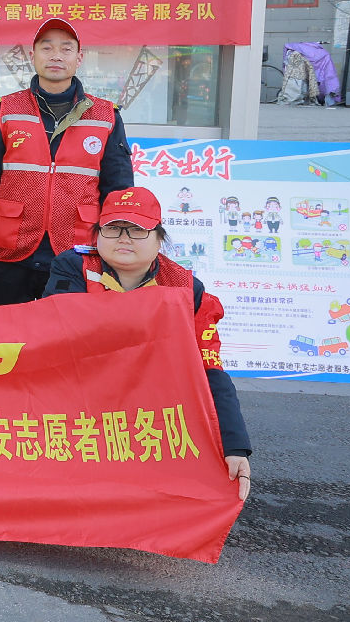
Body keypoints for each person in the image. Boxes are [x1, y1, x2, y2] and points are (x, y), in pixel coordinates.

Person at [43, 187, 253, 500]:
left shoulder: (186, 289)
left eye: (137, 230)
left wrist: (234, 445)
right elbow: (54, 337)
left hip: (151, 402)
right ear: (97, 235)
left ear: (159, 238)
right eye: (113, 228)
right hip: (80, 394)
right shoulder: (73, 267)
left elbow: (209, 369)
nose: (124, 239)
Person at [0, 17, 133, 306]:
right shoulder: (4, 110)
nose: (56, 56)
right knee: (6, 329)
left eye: (66, 49)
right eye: (47, 48)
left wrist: (115, 242)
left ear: (79, 58)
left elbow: (118, 190)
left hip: (77, 248)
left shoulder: (106, 115)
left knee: (68, 330)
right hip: (11, 248)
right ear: (33, 55)